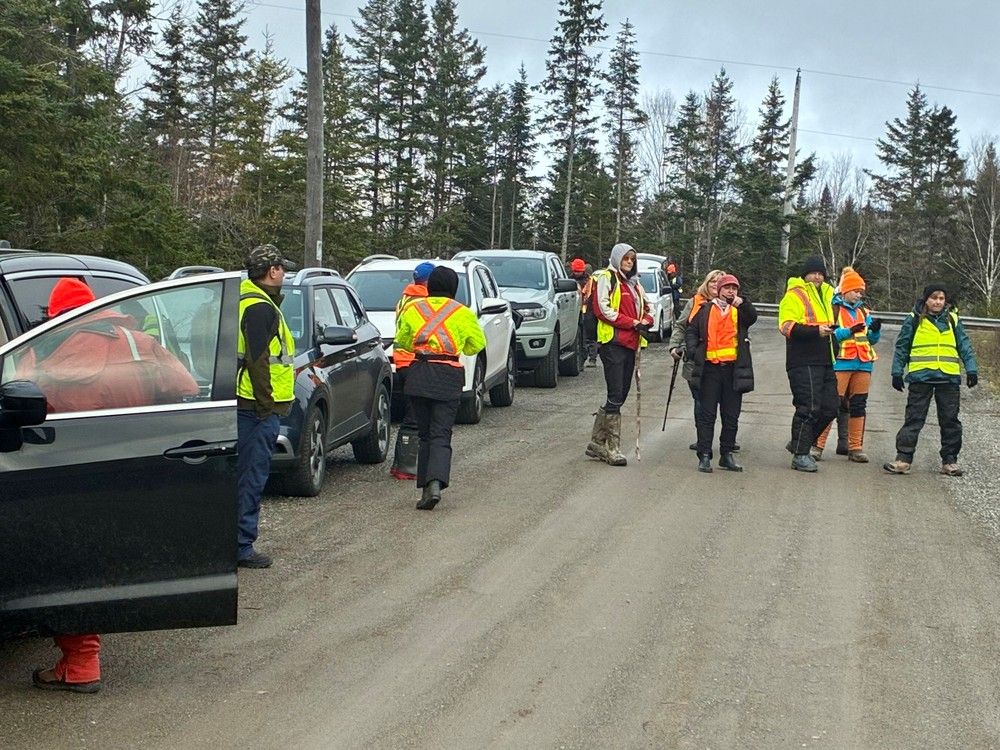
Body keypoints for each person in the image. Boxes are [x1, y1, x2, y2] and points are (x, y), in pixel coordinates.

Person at [25, 278, 198, 694]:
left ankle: (81, 663)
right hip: (131, 467)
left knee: (67, 567)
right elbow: (188, 388)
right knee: (95, 562)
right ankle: (84, 657)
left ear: (57, 315)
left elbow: (22, 398)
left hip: (67, 470)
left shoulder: (49, 351)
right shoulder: (138, 342)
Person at [394, 266, 486, 509]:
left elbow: (402, 340)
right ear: (455, 288)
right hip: (448, 375)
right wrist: (459, 348)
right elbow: (477, 344)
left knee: (424, 434)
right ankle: (436, 483)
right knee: (441, 433)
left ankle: (426, 487)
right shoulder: (463, 313)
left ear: (429, 286)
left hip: (420, 373)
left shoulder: (414, 309)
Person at [237, 244, 297, 567]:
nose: (284, 274)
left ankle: (238, 542)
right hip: (255, 409)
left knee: (246, 475)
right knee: (252, 476)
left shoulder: (246, 299)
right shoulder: (260, 307)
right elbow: (259, 361)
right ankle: (242, 545)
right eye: (282, 269)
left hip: (249, 406)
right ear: (272, 271)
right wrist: (265, 407)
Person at [884, 283, 979, 477]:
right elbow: (902, 346)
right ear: (926, 299)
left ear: (945, 301)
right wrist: (896, 372)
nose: (938, 302)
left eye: (941, 298)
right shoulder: (913, 319)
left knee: (950, 420)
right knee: (913, 419)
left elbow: (965, 346)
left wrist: (971, 369)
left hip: (948, 378)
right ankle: (903, 459)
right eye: (934, 298)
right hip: (921, 377)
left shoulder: (953, 319)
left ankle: (950, 461)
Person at [587, 243, 653, 467]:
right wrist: (631, 323)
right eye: (626, 258)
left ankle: (596, 441)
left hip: (632, 344)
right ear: (617, 258)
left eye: (632, 259)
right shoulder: (606, 278)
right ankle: (612, 448)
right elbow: (602, 309)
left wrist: (646, 321)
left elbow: (648, 308)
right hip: (612, 343)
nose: (629, 262)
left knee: (622, 393)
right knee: (616, 392)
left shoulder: (635, 284)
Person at [685, 273, 757, 472]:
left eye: (734, 288)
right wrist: (693, 351)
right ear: (719, 290)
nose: (731, 291)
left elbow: (753, 316)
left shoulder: (740, 311)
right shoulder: (705, 309)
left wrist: (741, 304)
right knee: (707, 415)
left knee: (731, 415)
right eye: (727, 287)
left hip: (734, 370)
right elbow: (691, 331)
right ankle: (705, 455)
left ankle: (726, 454)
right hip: (710, 370)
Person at [811, 267, 882, 463]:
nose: (859, 294)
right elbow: (831, 336)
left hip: (864, 364)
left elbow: (871, 340)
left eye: (861, 292)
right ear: (845, 290)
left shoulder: (863, 311)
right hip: (841, 363)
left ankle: (855, 447)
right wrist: (850, 330)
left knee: (858, 406)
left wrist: (874, 331)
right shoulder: (833, 309)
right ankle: (817, 445)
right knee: (831, 406)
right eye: (855, 290)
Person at [670, 269, 742, 453]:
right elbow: (681, 325)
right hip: (696, 362)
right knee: (701, 401)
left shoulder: (732, 306)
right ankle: (703, 439)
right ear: (707, 283)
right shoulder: (695, 302)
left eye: (720, 282)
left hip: (722, 364)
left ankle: (725, 439)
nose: (715, 284)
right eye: (712, 281)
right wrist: (675, 346)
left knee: (725, 405)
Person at [778, 256, 839, 473]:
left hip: (825, 358)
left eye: (821, 274)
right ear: (805, 274)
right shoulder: (794, 295)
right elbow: (786, 326)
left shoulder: (827, 295)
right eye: (814, 273)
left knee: (831, 406)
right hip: (802, 360)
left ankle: (799, 443)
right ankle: (801, 454)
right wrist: (817, 331)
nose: (818, 277)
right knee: (808, 407)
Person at [389, 261, 435, 480]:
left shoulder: (406, 297)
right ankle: (405, 466)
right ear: (428, 281)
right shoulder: (422, 302)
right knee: (414, 415)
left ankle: (405, 464)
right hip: (413, 360)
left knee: (412, 411)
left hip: (403, 360)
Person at [570, 258, 597, 365]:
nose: (577, 273)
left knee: (590, 335)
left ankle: (592, 358)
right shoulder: (569, 280)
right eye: (575, 271)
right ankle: (581, 360)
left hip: (589, 311)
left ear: (583, 270)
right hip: (574, 312)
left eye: (579, 271)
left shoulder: (591, 281)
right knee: (580, 337)